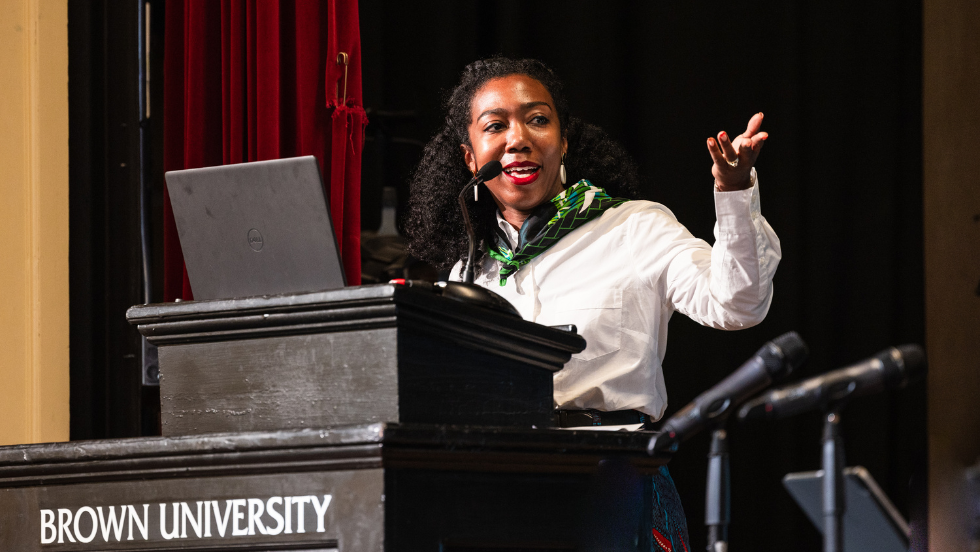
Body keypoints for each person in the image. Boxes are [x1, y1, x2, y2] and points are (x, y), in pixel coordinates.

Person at [405, 57, 780, 549]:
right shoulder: (468, 272)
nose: (518, 137)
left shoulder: (634, 227)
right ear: (471, 158)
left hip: (614, 484)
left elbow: (737, 303)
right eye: (495, 126)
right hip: (500, 494)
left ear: (563, 141)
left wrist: (734, 192)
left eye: (538, 119)